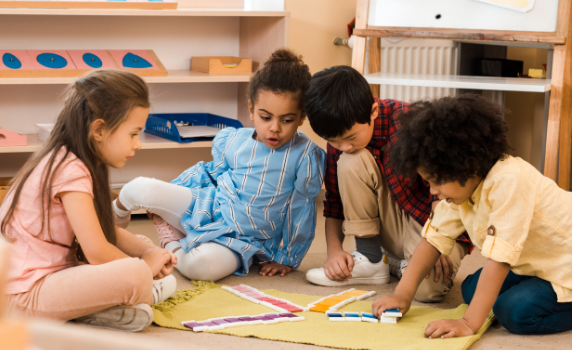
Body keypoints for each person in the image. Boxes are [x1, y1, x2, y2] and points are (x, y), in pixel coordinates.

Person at [113, 49, 324, 281]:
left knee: (201, 267)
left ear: (301, 117)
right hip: (209, 207)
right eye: (266, 117)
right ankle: (108, 223)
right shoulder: (233, 140)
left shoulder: (305, 155)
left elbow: (301, 209)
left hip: (245, 240)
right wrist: (170, 193)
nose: (274, 128)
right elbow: (207, 173)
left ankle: (169, 243)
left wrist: (288, 258)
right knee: (139, 188)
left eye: (287, 120)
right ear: (252, 109)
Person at [373, 94, 572, 337]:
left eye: (436, 181)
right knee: (471, 289)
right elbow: (432, 240)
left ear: (467, 166)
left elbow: (499, 261)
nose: (432, 191)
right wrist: (402, 295)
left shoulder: (510, 181)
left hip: (565, 268)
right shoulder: (461, 189)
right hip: (538, 264)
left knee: (514, 312)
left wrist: (468, 323)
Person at [0, 69, 177, 332]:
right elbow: (96, 251)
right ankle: (138, 294)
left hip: (46, 280)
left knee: (142, 246)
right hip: (23, 297)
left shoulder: (71, 159)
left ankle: (95, 310)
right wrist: (145, 267)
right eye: (133, 133)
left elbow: (102, 233)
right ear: (100, 130)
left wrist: (147, 253)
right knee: (136, 273)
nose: (138, 144)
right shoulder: (70, 169)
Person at [301, 66, 470, 303]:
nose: (343, 147)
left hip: (432, 220)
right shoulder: (341, 143)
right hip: (391, 222)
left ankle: (396, 263)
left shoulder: (412, 122)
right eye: (333, 142)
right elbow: (334, 202)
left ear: (373, 111)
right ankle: (371, 259)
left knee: (427, 290)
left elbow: (443, 195)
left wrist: (438, 241)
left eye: (350, 138)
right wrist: (334, 252)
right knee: (350, 161)